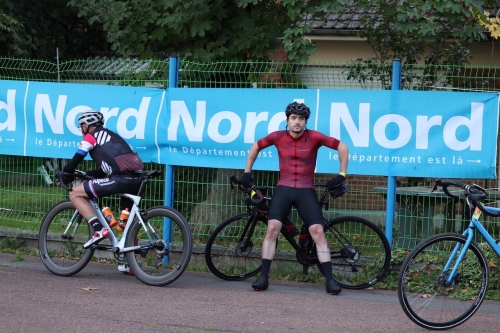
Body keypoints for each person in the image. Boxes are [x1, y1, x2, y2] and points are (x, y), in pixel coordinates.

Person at [240, 102, 349, 295]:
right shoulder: (277, 137)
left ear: (305, 121)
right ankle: (263, 277)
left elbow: (343, 147)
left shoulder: (314, 136)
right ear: (287, 120)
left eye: (301, 119)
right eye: (293, 118)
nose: (297, 122)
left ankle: (330, 281)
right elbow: (255, 147)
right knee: (273, 228)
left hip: (306, 189)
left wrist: (341, 174)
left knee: (318, 232)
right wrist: (247, 172)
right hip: (284, 187)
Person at [61, 110, 144, 274]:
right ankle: (131, 264)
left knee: (75, 193)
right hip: (137, 179)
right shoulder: (113, 136)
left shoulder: (92, 136)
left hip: (122, 179)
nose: (80, 130)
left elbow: (77, 158)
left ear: (86, 126)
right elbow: (106, 169)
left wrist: (65, 174)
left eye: (81, 126)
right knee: (126, 223)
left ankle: (99, 229)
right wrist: (87, 174)